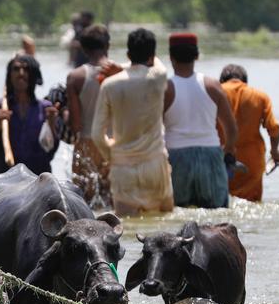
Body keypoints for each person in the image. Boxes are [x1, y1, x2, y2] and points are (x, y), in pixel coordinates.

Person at [90, 28, 175, 215]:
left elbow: (97, 134)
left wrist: (111, 157)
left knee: (127, 229)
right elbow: (156, 64)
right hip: (155, 165)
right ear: (152, 55)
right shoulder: (158, 77)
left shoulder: (110, 85)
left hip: (123, 169)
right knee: (166, 227)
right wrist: (124, 68)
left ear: (128, 54)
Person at [163, 33, 238, 208]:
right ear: (197, 56)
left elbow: (155, 130)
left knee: (179, 222)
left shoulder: (165, 89)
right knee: (216, 219)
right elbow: (232, 130)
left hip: (176, 157)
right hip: (211, 155)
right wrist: (225, 151)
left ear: (171, 57)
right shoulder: (212, 85)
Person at [0, 53, 60, 174]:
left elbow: (50, 152)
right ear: (10, 75)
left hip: (36, 179)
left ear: (32, 75)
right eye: (16, 69)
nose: (21, 73)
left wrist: (51, 125)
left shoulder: (45, 109)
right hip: (4, 178)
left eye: (26, 69)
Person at [219, 63, 279, 202]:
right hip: (252, 163)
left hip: (221, 159)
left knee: (217, 207)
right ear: (245, 81)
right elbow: (273, 128)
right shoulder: (260, 97)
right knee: (252, 205)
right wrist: (275, 152)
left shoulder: (215, 92)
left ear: (222, 80)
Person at [65, 23, 113, 208]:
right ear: (107, 46)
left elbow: (76, 125)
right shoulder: (120, 73)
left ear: (84, 49)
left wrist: (64, 113)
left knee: (85, 204)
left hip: (86, 144)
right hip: (114, 143)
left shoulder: (76, 77)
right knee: (113, 204)